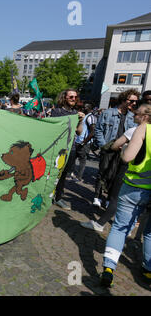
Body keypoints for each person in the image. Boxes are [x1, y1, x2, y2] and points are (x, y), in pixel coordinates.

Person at [81, 103, 150, 232]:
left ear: (144, 117)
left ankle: (100, 224)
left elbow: (116, 147)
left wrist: (124, 148)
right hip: (146, 177)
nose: (133, 115)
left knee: (116, 198)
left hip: (129, 171)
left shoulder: (134, 131)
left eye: (136, 114)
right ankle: (128, 229)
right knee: (138, 206)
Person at [99, 118, 151, 287]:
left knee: (120, 228)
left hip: (133, 188)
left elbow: (127, 157)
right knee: (150, 233)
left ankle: (108, 269)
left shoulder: (144, 129)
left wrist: (126, 149)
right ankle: (148, 269)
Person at [92, 89, 138, 208]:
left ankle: (109, 198)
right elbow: (98, 130)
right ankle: (97, 196)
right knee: (103, 172)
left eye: (135, 101)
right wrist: (103, 145)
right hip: (108, 148)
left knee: (116, 175)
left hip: (122, 151)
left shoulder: (132, 117)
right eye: (132, 101)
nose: (134, 103)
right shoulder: (108, 113)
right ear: (124, 100)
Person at [49, 88, 85, 210]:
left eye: (75, 97)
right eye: (71, 97)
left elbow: (79, 132)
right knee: (53, 172)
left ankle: (58, 197)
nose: (73, 99)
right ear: (64, 98)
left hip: (71, 148)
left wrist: (80, 121)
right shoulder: (57, 112)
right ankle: (48, 195)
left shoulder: (76, 113)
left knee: (64, 175)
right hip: (58, 148)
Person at [70, 103, 97, 181]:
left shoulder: (90, 117)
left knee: (82, 160)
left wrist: (84, 142)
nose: (83, 108)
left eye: (85, 107)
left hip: (84, 143)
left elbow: (92, 132)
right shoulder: (84, 116)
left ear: (89, 108)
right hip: (78, 141)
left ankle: (79, 177)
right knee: (72, 158)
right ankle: (72, 172)